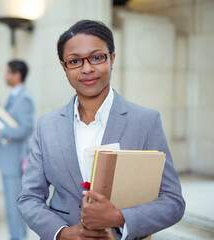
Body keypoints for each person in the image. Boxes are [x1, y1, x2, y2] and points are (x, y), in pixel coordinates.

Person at [17, 19, 185, 240]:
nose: (87, 68)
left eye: (97, 57)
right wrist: (62, 233)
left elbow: (173, 202)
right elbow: (29, 198)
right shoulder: (46, 125)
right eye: (75, 61)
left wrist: (119, 217)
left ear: (112, 59)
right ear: (64, 67)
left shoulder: (145, 121)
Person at [0, 60, 35, 240]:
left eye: (7, 72)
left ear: (16, 75)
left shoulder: (24, 97)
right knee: (10, 205)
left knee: (15, 205)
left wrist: (0, 131)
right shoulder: (14, 95)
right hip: (7, 157)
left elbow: (26, 128)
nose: (5, 76)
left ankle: (19, 238)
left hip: (15, 159)